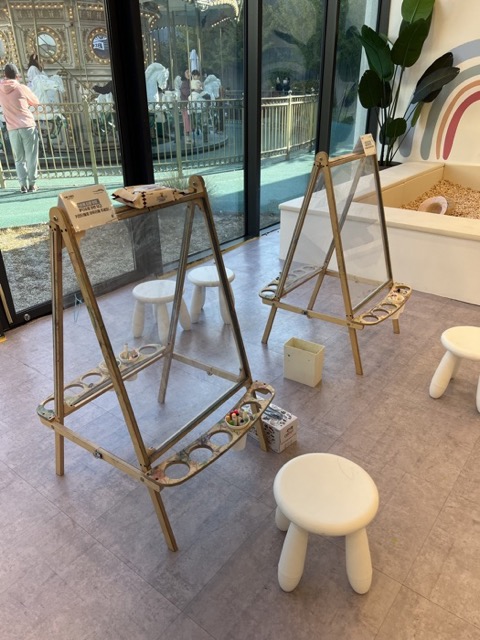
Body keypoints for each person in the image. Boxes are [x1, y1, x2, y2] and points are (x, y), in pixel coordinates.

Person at [0, 63, 39, 193]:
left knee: (18, 158)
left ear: (5, 75)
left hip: (12, 128)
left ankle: (22, 185)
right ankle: (32, 184)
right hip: (27, 125)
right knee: (31, 157)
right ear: (17, 75)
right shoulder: (21, 88)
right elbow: (35, 102)